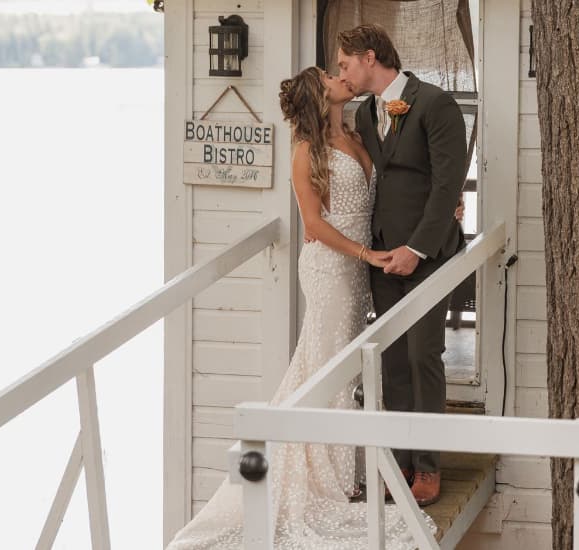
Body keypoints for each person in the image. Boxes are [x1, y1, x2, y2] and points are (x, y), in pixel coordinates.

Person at [165, 66, 427, 549]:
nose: (340, 75)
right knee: (326, 366)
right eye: (331, 76)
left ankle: (336, 470)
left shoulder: (355, 132)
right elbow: (314, 223)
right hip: (331, 267)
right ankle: (327, 479)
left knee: (338, 371)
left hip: (357, 270)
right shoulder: (307, 152)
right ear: (318, 93)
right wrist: (366, 253)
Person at [337, 23, 468, 506]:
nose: (342, 71)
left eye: (345, 62)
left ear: (369, 57)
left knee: (421, 356)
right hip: (382, 253)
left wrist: (418, 247)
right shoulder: (366, 114)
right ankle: (401, 464)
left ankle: (430, 468)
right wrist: (379, 248)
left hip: (428, 254)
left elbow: (447, 183)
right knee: (392, 362)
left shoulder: (435, 104)